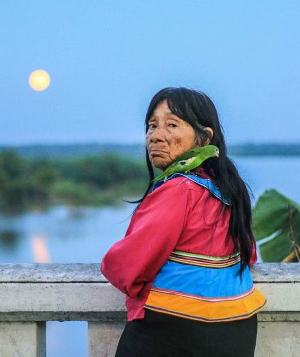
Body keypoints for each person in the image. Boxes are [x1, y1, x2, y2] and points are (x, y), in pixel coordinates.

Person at [101, 87, 266, 357]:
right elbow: (249, 256)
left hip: (176, 330)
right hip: (236, 330)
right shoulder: (227, 189)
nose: (156, 136)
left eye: (172, 125)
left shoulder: (179, 190)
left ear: (204, 138)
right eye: (152, 126)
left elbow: (128, 267)